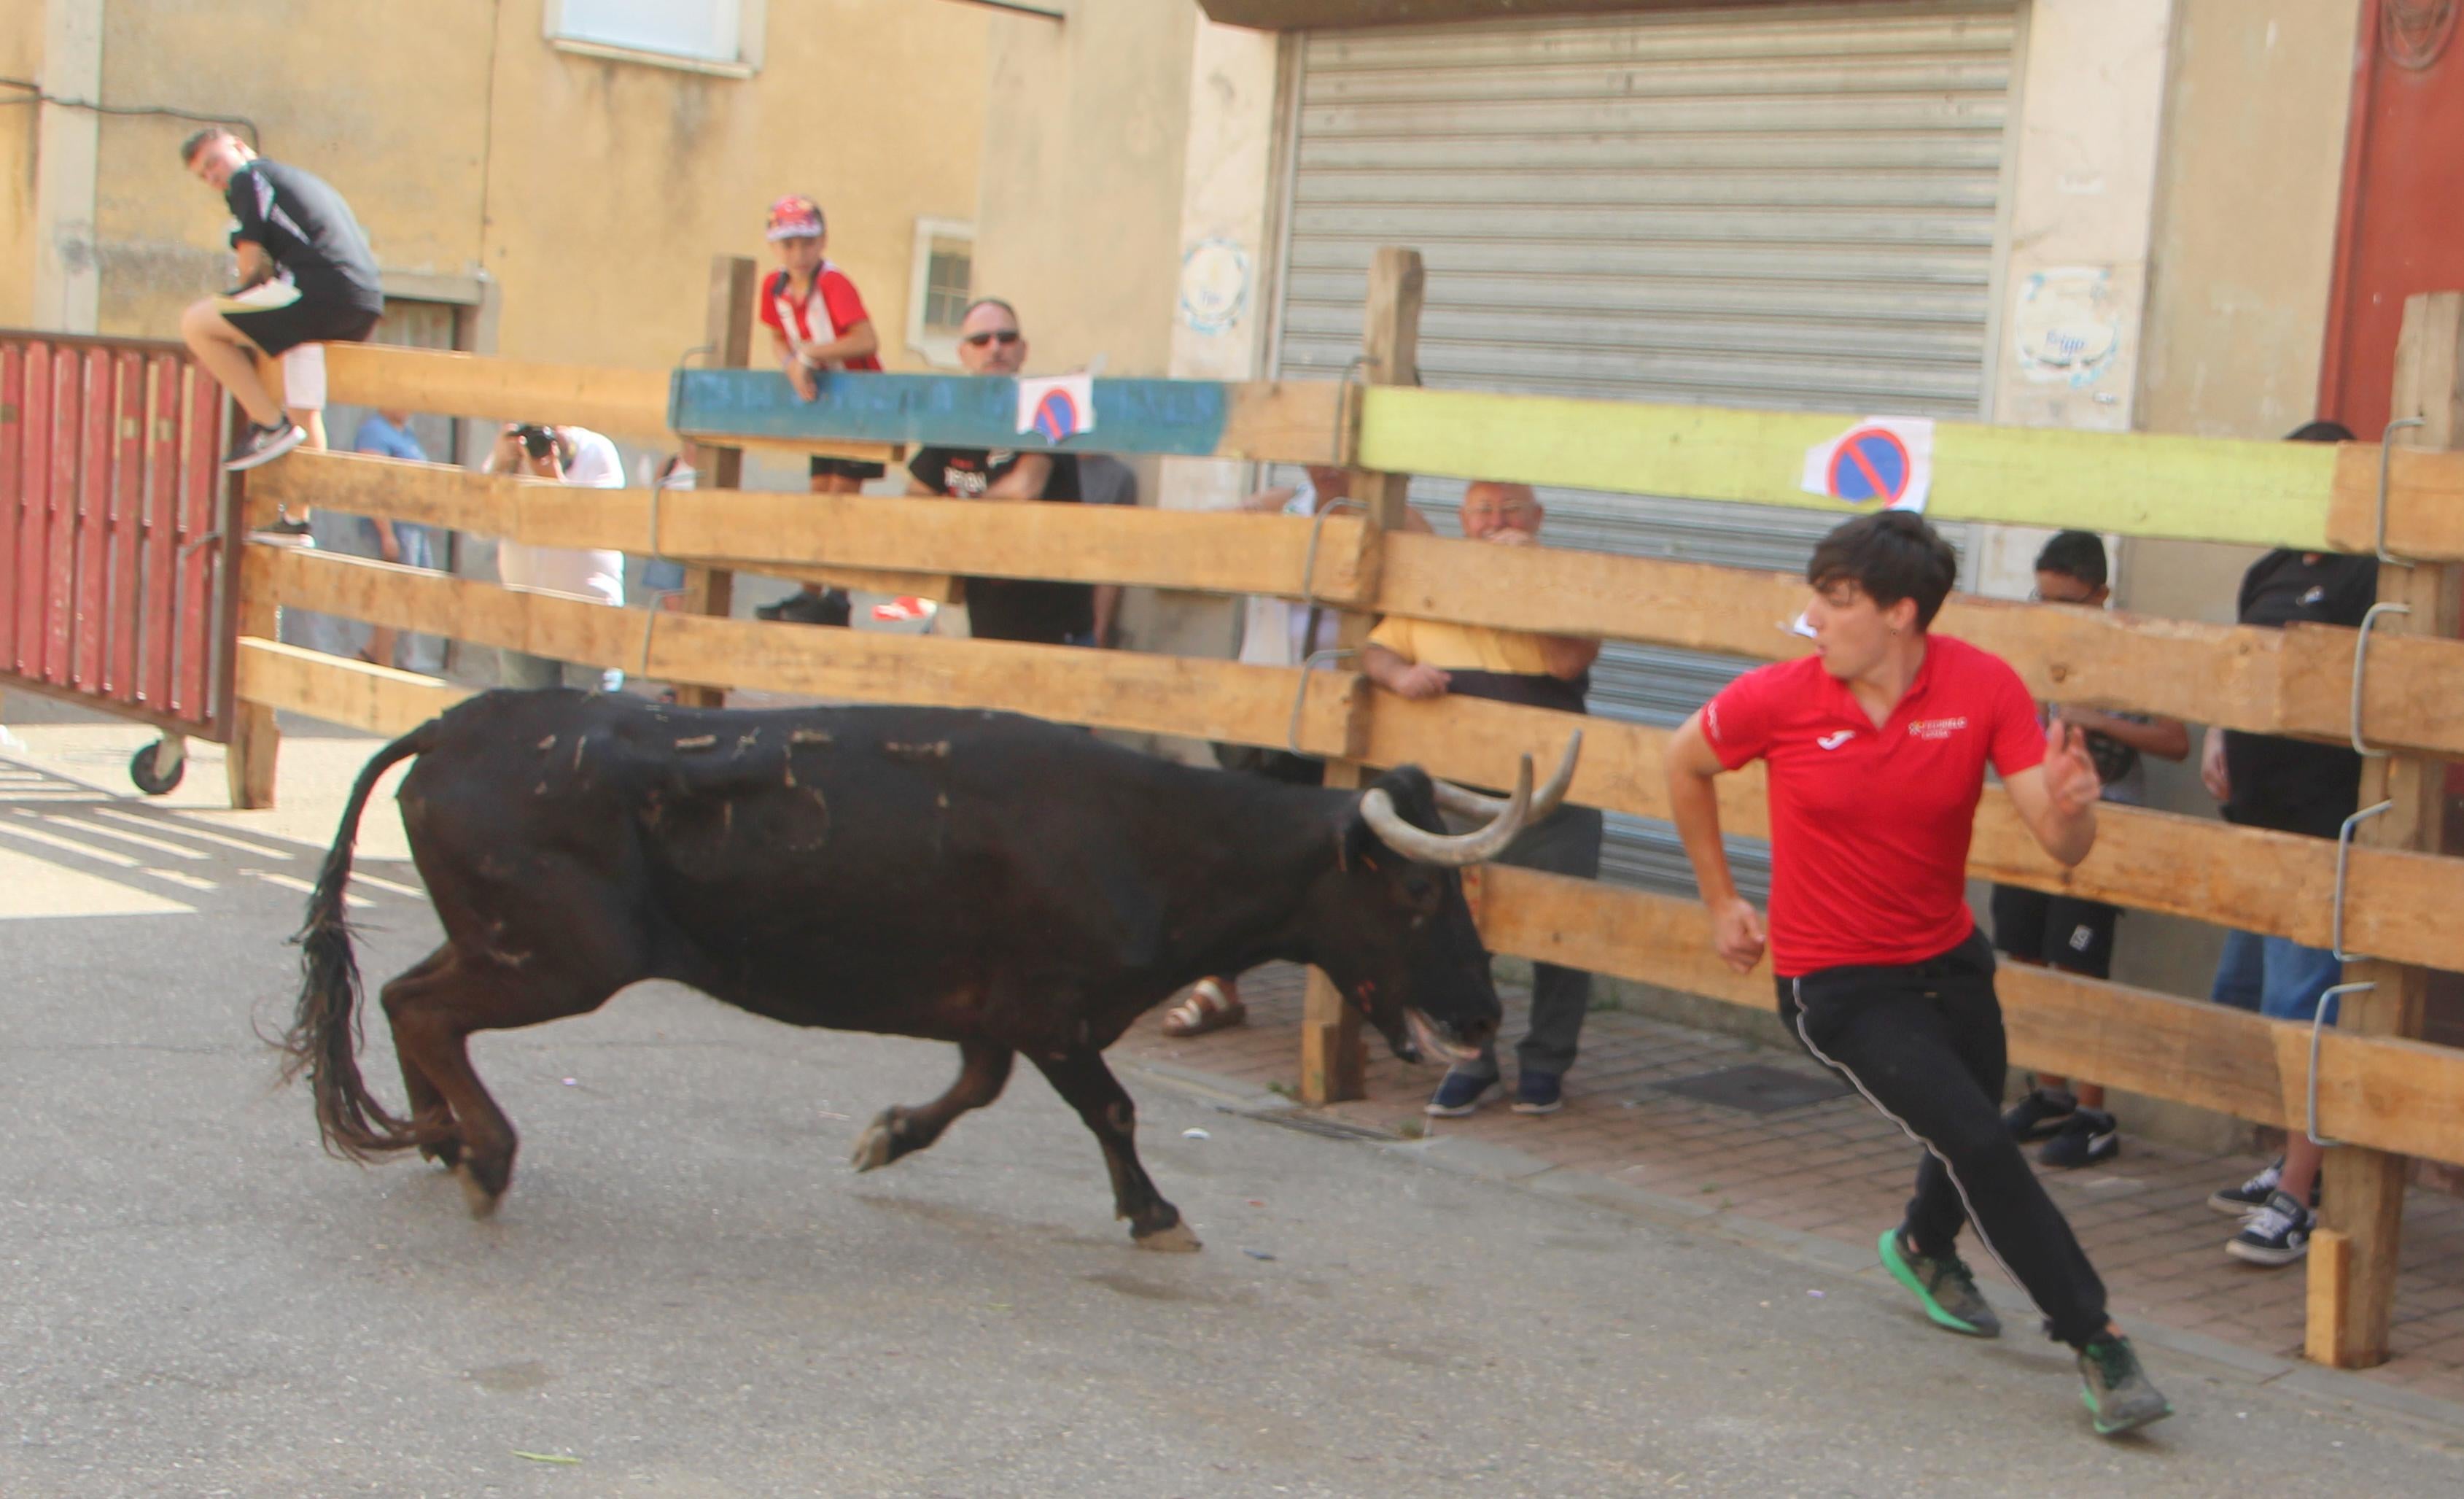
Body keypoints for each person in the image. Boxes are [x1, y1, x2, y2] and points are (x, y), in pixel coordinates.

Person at [1663, 510, 2169, 1436]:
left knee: (1967, 1127)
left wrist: (2073, 808)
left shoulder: (1979, 687)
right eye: (1816, 594)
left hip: (1948, 959)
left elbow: (2060, 844)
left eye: (1836, 598)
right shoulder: (1778, 697)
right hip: (1836, 983)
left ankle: (1923, 1246)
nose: (1812, 616)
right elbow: (1681, 760)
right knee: (1979, 1139)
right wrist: (1719, 900)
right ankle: (2096, 1339)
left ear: (1901, 613)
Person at [1345, 482, 1604, 1118]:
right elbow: (1374, 647)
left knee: (1562, 930)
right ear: (1461, 521)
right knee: (1453, 930)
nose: (1496, 523)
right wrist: (1398, 675)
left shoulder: (1561, 581)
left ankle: (1545, 1065)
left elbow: (1569, 660)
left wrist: (1530, 572)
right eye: (1483, 510)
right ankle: (1472, 1059)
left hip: (1549, 792)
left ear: (1537, 518)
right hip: (1456, 792)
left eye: (1510, 510)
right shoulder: (1434, 583)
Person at [2201, 419, 2376, 1266]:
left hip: (2319, 830)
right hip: (2255, 830)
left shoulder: (2370, 572)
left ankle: (2298, 1199)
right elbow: (2238, 667)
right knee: (2247, 999)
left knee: (2302, 1007)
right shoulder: (2268, 567)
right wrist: (2216, 736)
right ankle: (2288, 1161)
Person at [1993, 531, 2188, 1168]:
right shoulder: (2035, 641)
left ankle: (2093, 1111)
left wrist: (2097, 721)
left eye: (2068, 601)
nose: (2053, 611)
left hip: (2105, 822)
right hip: (2031, 815)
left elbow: (2173, 739)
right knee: (2025, 953)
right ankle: (2049, 1092)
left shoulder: (2131, 650)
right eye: (2042, 597)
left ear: (2100, 594)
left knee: (2078, 963)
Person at [176, 128, 384, 472]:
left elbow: (251, 262)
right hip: (361, 302)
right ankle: (297, 519)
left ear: (241, 147)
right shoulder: (299, 179)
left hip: (315, 294)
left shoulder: (249, 177)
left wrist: (240, 302)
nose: (213, 177)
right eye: (204, 176)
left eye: (214, 163)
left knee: (197, 323)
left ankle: (269, 424)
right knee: (303, 406)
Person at [904, 299, 1103, 647]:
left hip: (1050, 634)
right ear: (963, 353)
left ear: (1023, 350)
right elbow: (915, 496)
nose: (995, 347)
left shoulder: (1049, 406)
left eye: (1006, 338)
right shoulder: (954, 422)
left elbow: (1024, 487)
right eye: (981, 340)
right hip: (974, 627)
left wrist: (955, 513)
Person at [754, 195, 880, 628]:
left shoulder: (833, 283)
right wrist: (790, 363)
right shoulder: (775, 287)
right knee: (819, 497)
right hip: (826, 405)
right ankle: (809, 592)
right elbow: (775, 335)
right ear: (774, 247)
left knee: (840, 504)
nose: (798, 254)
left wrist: (807, 354)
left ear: (822, 241)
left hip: (861, 404)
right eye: (788, 244)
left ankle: (838, 595)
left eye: (806, 243)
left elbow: (866, 340)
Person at [483, 423, 626, 692]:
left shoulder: (597, 450)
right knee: (525, 720)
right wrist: (499, 466)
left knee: (592, 718)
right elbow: (478, 528)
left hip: (589, 612)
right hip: (523, 610)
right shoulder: (514, 451)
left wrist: (552, 480)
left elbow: (599, 526)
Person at [347, 409, 441, 670]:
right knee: (391, 599)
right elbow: (372, 485)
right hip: (393, 529)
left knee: (405, 599)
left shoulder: (406, 433)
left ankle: (367, 658)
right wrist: (386, 534)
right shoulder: (374, 430)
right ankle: (382, 665)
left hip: (412, 530)